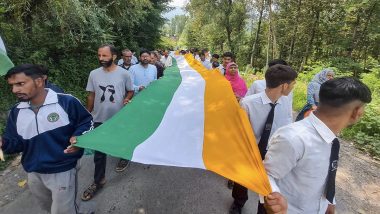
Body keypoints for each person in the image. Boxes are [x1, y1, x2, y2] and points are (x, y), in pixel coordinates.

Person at [264, 77, 371, 214]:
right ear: (357, 112)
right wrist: (275, 199)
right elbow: (267, 173)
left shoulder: (331, 138)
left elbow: (322, 174)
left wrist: (329, 201)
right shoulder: (293, 138)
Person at [1, 64, 93, 214]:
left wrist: (79, 138)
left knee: (64, 211)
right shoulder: (16, 112)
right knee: (48, 209)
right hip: (34, 173)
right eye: (12, 85)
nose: (14, 90)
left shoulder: (66, 102)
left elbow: (86, 122)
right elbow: (16, 143)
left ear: (39, 81)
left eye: (20, 84)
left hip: (63, 168)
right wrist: (3, 143)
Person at [230, 64, 297, 214]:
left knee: (269, 185)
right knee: (243, 179)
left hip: (274, 150)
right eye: (293, 83)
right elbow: (240, 132)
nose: (294, 86)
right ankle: (238, 202)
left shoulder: (285, 102)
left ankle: (263, 209)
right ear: (285, 85)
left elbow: (287, 123)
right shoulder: (248, 103)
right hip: (250, 149)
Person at [82, 44, 134, 201]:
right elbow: (91, 95)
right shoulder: (93, 74)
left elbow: (130, 90)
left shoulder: (124, 74)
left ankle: (124, 156)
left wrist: (127, 98)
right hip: (99, 118)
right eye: (99, 55)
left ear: (114, 56)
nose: (101, 59)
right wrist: (87, 114)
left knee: (121, 141)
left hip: (119, 118)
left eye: (104, 56)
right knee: (99, 152)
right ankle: (99, 180)